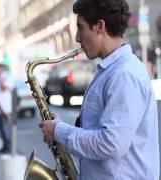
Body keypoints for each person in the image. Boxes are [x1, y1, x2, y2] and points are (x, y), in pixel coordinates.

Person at [40, 0, 160, 179]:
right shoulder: (112, 70)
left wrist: (59, 130)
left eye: (81, 28)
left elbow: (110, 145)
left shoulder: (123, 75)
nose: (77, 38)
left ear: (100, 26)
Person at [0, 64, 14, 153]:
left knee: (6, 130)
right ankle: (5, 146)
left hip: (6, 109)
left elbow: (3, 88)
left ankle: (8, 147)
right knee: (1, 130)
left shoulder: (6, 77)